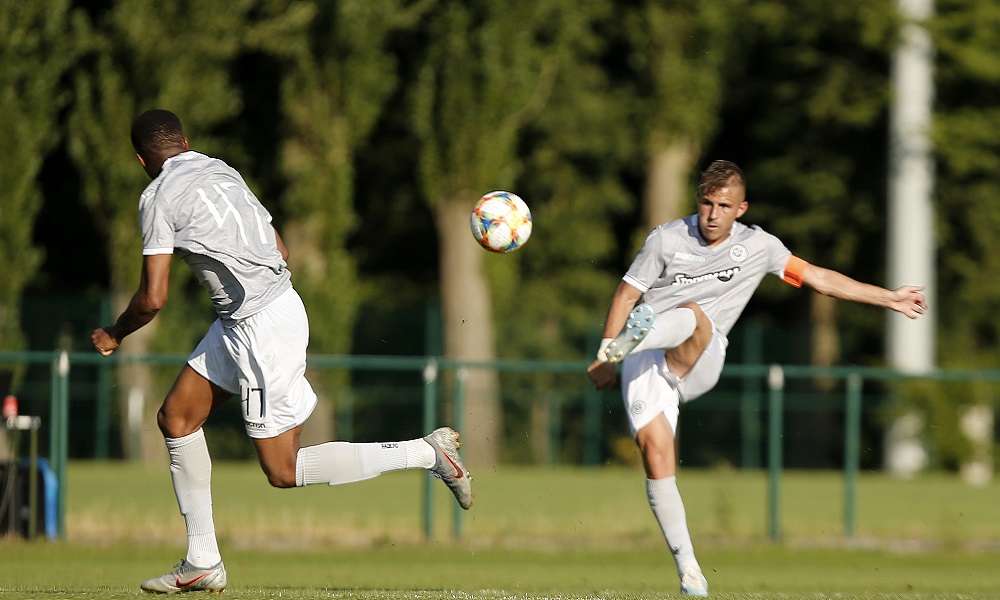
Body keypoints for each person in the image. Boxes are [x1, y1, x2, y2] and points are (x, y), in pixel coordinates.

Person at [91, 109, 473, 594]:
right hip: (259, 313)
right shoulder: (221, 169)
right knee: (177, 419)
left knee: (282, 470)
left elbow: (153, 298)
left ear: (141, 159)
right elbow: (281, 248)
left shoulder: (157, 196)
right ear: (185, 143)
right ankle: (202, 560)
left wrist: (115, 332)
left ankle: (426, 452)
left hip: (259, 328)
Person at [587, 160, 927, 596]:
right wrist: (605, 357)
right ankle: (690, 573)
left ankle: (638, 336)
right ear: (698, 200)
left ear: (741, 208)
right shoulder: (666, 239)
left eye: (723, 206)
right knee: (656, 456)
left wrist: (889, 298)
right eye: (706, 203)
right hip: (646, 362)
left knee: (693, 314)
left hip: (701, 353)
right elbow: (626, 294)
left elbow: (817, 277)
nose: (712, 214)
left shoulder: (759, 246)